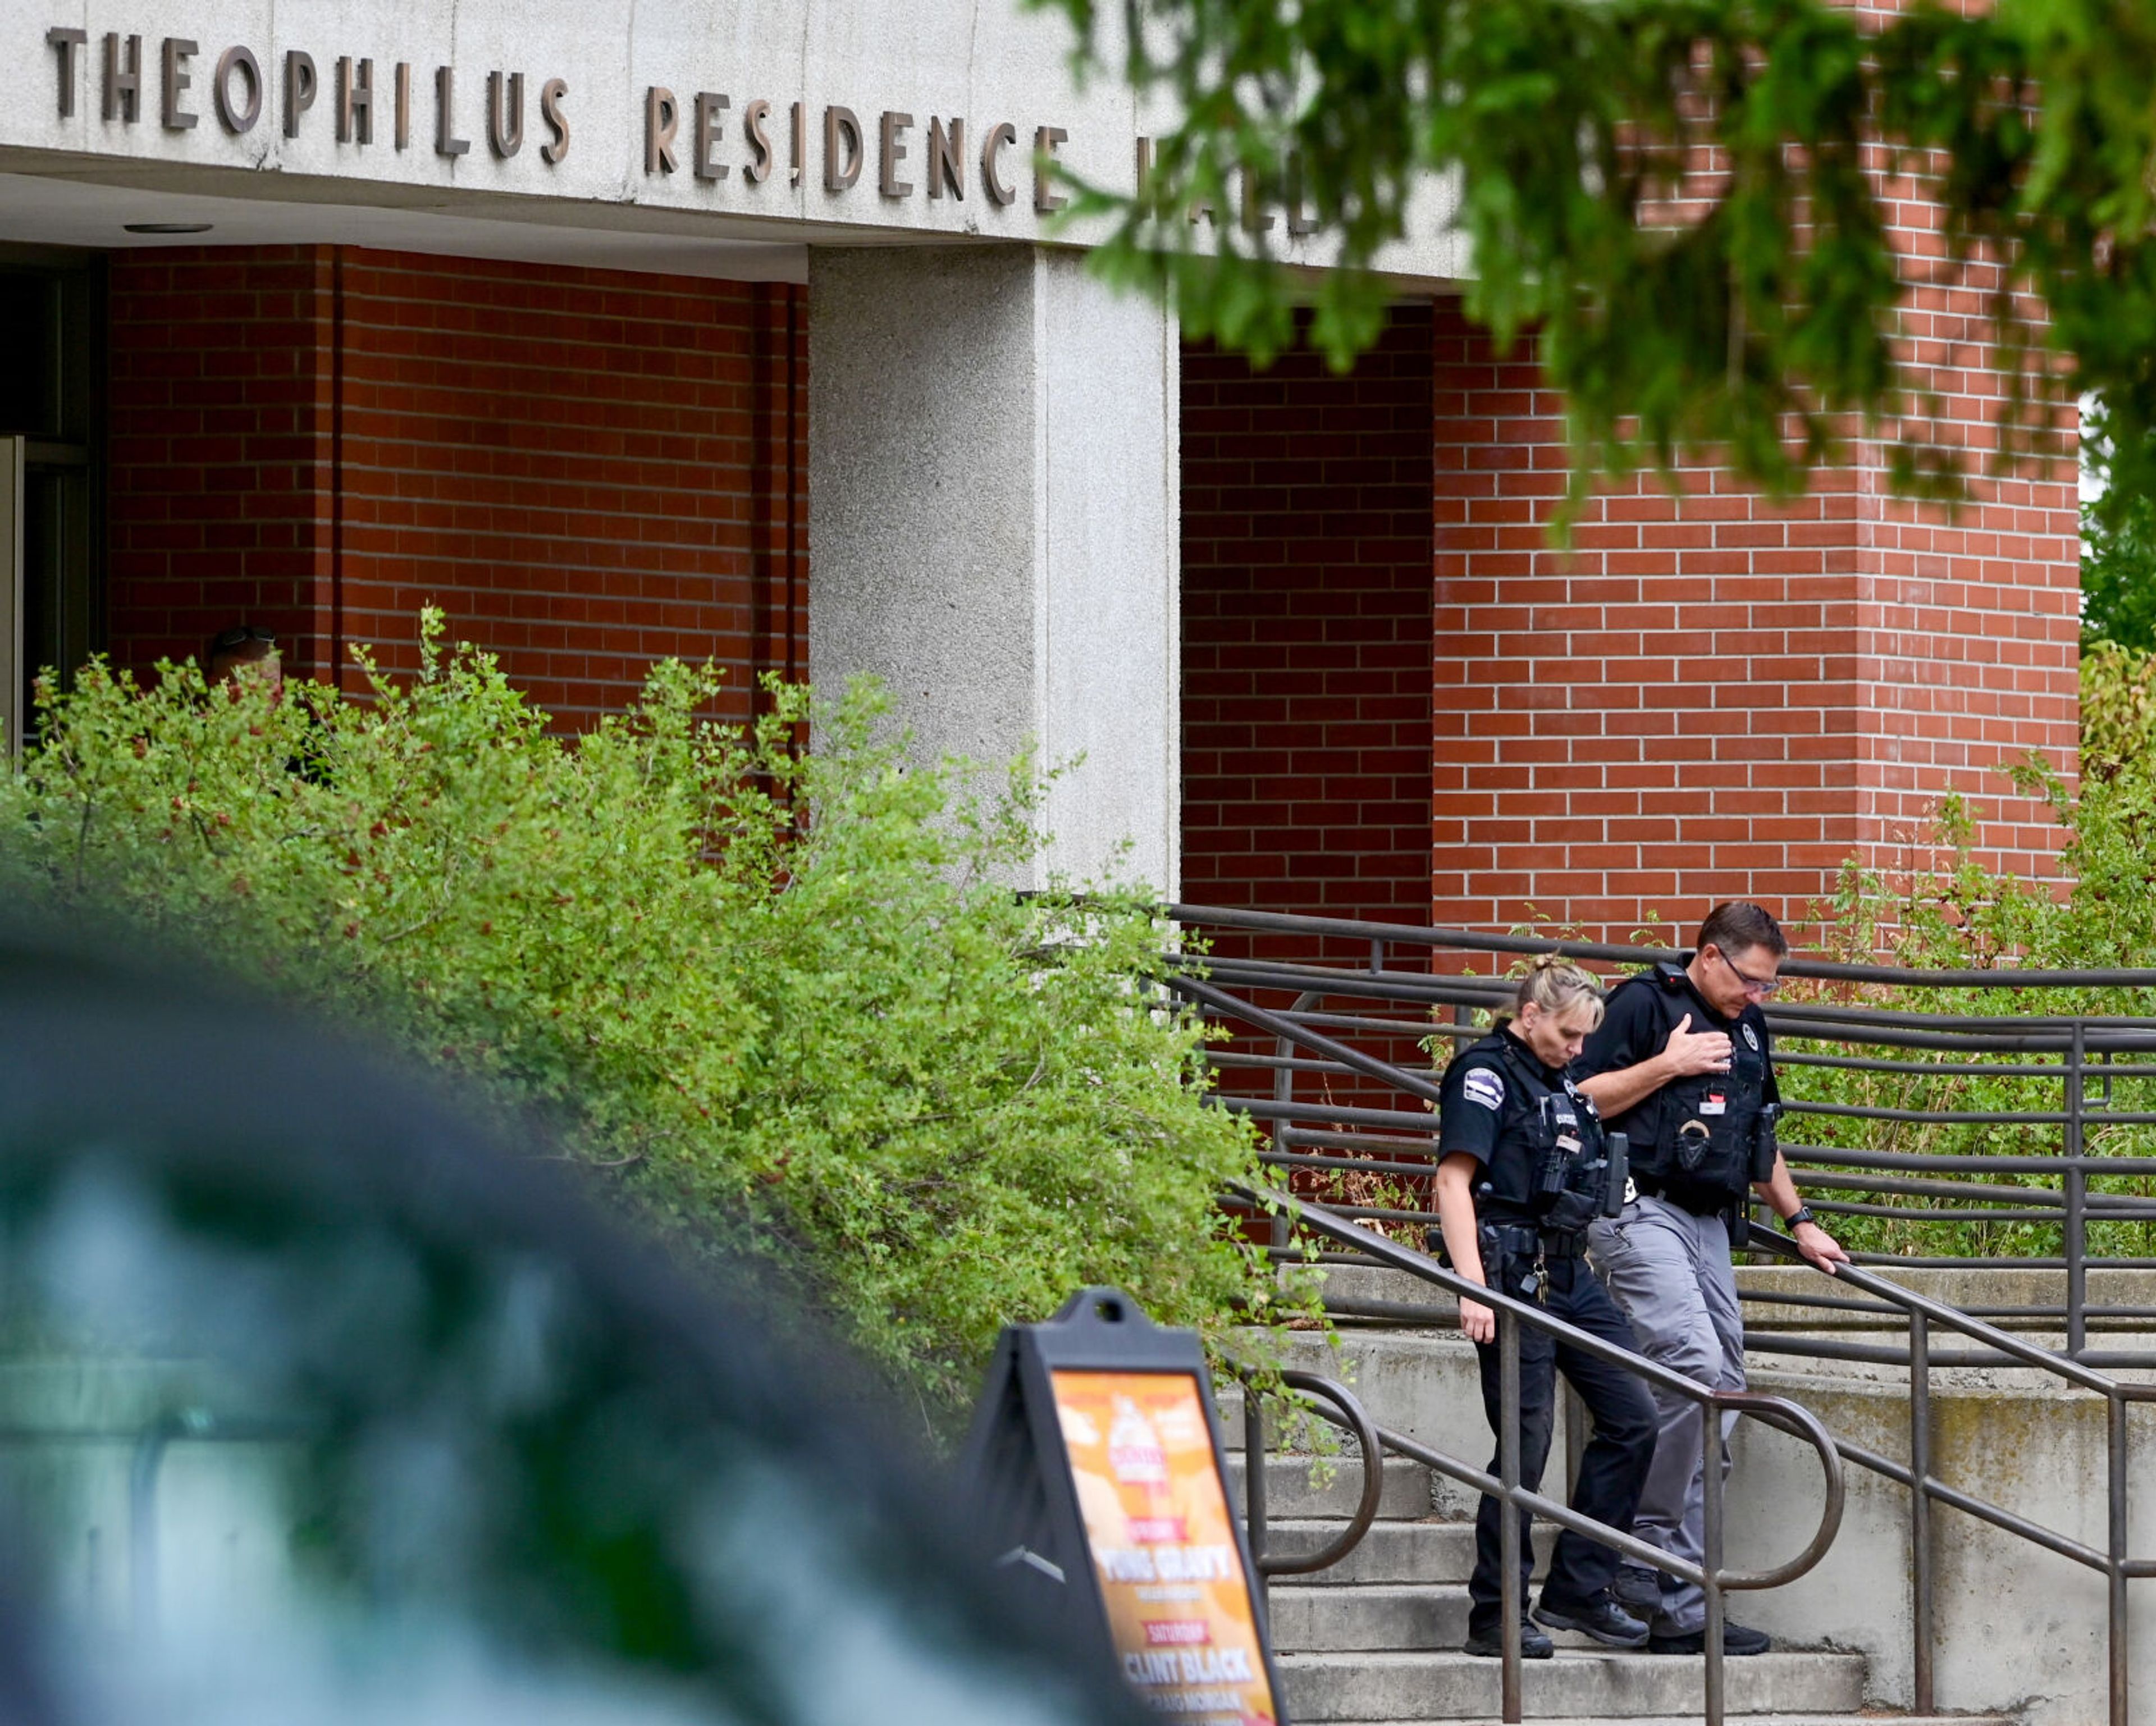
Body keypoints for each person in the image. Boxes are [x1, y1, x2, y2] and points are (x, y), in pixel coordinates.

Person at [1574, 901, 1849, 1656]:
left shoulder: (1750, 1027)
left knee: (1721, 1387)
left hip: (1707, 1222)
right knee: (1691, 1365)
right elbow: (1574, 1100)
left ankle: (1681, 1604)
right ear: (1708, 956)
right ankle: (1637, 1553)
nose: (1756, 997)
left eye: (1768, 986)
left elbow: (1762, 1138)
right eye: (1750, 981)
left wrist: (1800, 1221)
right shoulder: (1645, 1002)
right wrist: (1670, 1064)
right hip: (1637, 1207)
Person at [1432, 957, 1658, 1659]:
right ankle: (1497, 1613)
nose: (1577, 1048)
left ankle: (1578, 1588)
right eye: (1566, 1033)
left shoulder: (1564, 1083)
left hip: (1568, 1269)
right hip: (1508, 1271)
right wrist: (1473, 1285)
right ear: (1530, 1015)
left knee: (1635, 1413)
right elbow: (1452, 1180)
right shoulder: (1485, 1074)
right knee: (1526, 1449)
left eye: (1584, 1037)